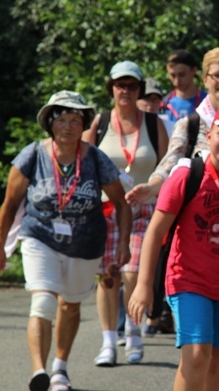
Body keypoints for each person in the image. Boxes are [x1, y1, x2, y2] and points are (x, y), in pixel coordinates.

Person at [127, 105, 219, 391]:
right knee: (196, 355)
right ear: (208, 136)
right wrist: (143, 285)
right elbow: (155, 231)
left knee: (213, 363)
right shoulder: (187, 175)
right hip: (188, 279)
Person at [0, 90, 131, 391]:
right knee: (42, 301)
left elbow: (121, 202)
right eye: (62, 119)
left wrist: (122, 244)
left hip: (85, 242)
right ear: (50, 124)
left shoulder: (96, 158)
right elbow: (10, 204)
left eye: (75, 120)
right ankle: (39, 371)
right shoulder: (33, 154)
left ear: (83, 124)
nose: (68, 126)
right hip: (39, 236)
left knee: (71, 304)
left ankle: (60, 369)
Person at [82, 60, 168, 367]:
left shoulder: (153, 124)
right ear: (112, 88)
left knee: (133, 271)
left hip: (144, 209)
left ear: (140, 90)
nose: (126, 91)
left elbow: (165, 166)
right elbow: (84, 164)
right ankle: (108, 342)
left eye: (132, 86)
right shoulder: (101, 122)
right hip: (107, 209)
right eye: (120, 85)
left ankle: (133, 332)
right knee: (108, 276)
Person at [125, 47, 219, 204]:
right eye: (217, 75)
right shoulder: (189, 125)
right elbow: (170, 164)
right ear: (205, 79)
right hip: (196, 217)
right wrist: (152, 187)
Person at [161, 49, 207, 122]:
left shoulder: (207, 101)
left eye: (182, 75)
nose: (177, 81)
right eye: (172, 75)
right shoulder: (164, 104)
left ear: (194, 71)